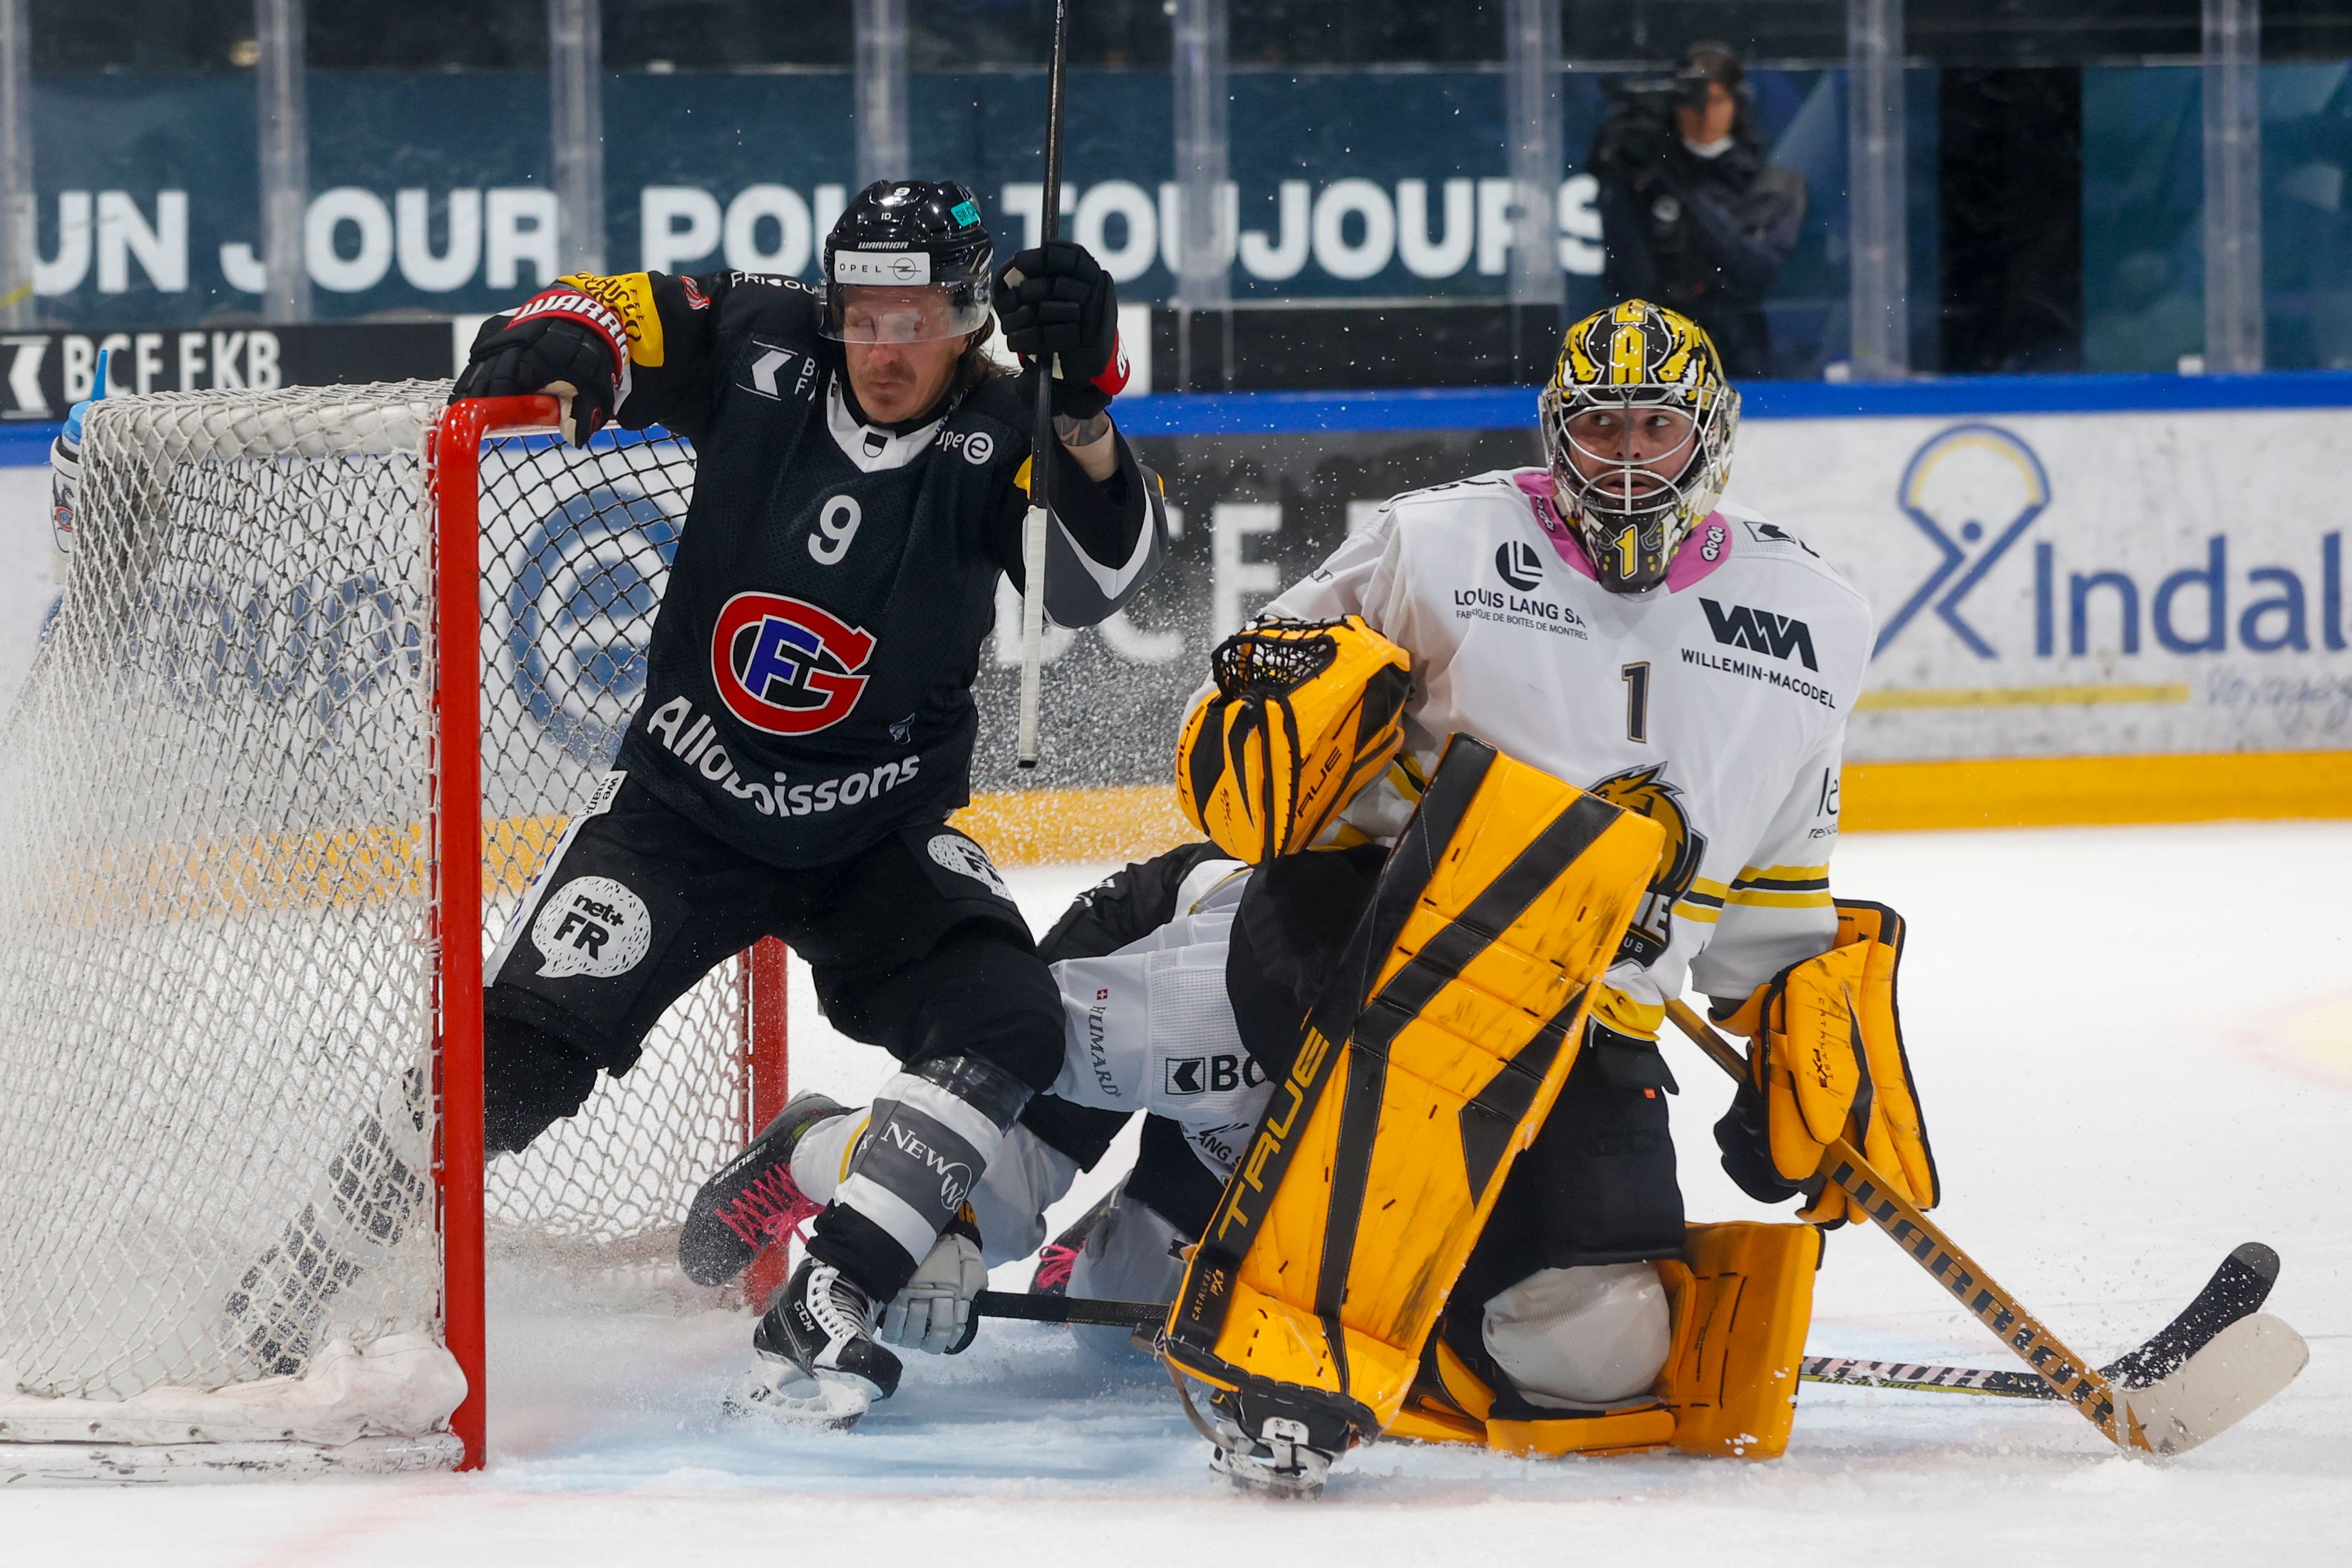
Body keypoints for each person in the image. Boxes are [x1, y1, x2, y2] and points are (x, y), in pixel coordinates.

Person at [684, 301, 1937, 1485]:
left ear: (1708, 440)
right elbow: (1237, 732)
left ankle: (1163, 1232)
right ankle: (823, 1150)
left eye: (1652, 427)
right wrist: (1296, 721)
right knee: (950, 1243)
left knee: (1589, 1352)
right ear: (1557, 432)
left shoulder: (1813, 616)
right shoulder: (1441, 540)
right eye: (1598, 427)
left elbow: (1772, 890)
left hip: (1576, 1037)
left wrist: (1805, 1043)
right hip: (1336, 956)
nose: (1622, 458)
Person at [450, 179, 1168, 1423]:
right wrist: (563, 333)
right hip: (685, 817)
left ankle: (831, 1296)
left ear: (972, 319)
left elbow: (1101, 579)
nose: (885, 350)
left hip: (879, 840)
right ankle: (338, 1249)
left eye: (918, 321)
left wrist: (1091, 401)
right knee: (518, 1056)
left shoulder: (1010, 423)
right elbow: (613, 306)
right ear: (832, 301)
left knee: (1009, 1022)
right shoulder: (759, 336)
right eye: (864, 315)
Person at [1589, 43, 1806, 377]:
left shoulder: (1773, 184)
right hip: (1657, 357)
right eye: (1692, 102)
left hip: (1742, 357)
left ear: (1739, 103)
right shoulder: (1644, 180)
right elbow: (1628, 280)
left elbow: (1753, 271)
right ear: (1674, 108)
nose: (1705, 114)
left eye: (1717, 100)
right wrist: (1625, 181)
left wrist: (1682, 191)